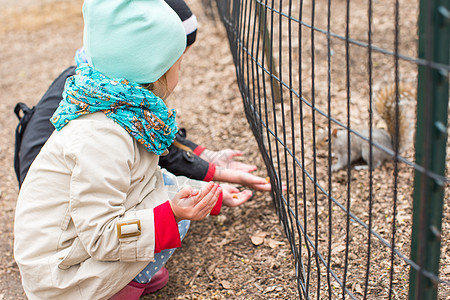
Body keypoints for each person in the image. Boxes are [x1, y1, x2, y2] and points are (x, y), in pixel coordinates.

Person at [13, 0, 248, 299]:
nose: (181, 72)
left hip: (72, 247)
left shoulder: (122, 112)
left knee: (166, 196)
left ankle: (127, 279)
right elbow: (101, 236)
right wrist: (172, 213)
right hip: (60, 278)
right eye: (178, 64)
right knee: (168, 218)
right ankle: (117, 291)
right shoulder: (102, 138)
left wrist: (207, 195)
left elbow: (147, 180)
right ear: (156, 70)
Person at [14, 0, 271, 196]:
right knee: (162, 189)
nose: (177, 70)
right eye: (177, 62)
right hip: (65, 198)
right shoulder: (112, 111)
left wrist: (204, 155)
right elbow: (157, 150)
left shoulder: (98, 83)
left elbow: (157, 133)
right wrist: (213, 175)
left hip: (52, 189)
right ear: (148, 59)